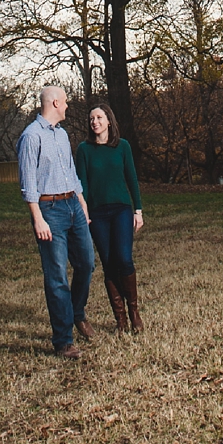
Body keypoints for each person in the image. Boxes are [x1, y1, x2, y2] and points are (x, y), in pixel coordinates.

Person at [16, 85, 94, 357]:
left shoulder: (62, 135)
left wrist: (82, 204)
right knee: (57, 276)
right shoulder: (31, 137)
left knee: (87, 263)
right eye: (66, 103)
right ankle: (63, 341)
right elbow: (28, 184)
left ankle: (77, 312)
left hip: (73, 204)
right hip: (50, 211)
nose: (68, 107)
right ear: (55, 103)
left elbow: (71, 173)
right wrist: (38, 219)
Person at [74, 101, 144, 333]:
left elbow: (131, 178)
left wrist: (138, 210)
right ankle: (120, 319)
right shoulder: (84, 149)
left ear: (109, 121)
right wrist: (83, 210)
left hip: (121, 209)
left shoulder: (122, 146)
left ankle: (134, 312)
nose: (95, 122)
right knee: (109, 264)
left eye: (99, 118)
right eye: (92, 119)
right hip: (97, 214)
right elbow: (80, 184)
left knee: (124, 259)